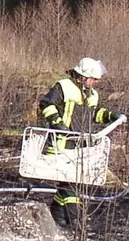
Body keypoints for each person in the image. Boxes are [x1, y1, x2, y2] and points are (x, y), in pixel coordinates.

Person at [38, 57, 119, 227]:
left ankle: (56, 218)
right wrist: (58, 124)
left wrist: (111, 116)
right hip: (61, 144)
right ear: (83, 77)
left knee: (70, 182)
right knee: (70, 183)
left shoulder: (92, 95)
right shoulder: (64, 87)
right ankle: (76, 219)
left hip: (79, 146)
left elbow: (93, 114)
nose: (95, 83)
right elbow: (46, 104)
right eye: (93, 79)